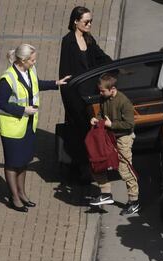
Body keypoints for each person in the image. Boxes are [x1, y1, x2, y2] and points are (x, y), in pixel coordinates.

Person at [0, 44, 70, 212]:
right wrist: (23, 110)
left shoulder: (30, 70)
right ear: (22, 60)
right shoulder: (7, 79)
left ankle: (22, 193)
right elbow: (1, 103)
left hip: (28, 126)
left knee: (23, 162)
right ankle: (14, 198)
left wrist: (55, 83)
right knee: (12, 163)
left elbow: (35, 85)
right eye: (32, 60)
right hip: (12, 129)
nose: (34, 62)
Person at [59, 6, 112, 184]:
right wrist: (70, 100)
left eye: (91, 21)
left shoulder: (89, 39)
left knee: (91, 132)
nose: (89, 24)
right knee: (79, 132)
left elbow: (101, 57)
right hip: (76, 97)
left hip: (91, 96)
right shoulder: (68, 42)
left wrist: (115, 67)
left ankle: (91, 167)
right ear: (75, 21)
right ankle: (80, 170)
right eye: (86, 21)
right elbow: (65, 74)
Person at [88, 73, 140, 216]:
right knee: (98, 163)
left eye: (103, 91)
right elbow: (102, 114)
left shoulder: (124, 102)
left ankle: (134, 201)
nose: (100, 93)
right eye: (100, 90)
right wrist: (96, 119)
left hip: (123, 138)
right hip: (109, 136)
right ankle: (106, 193)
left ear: (112, 89)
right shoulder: (103, 98)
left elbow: (129, 124)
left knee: (125, 169)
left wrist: (112, 124)